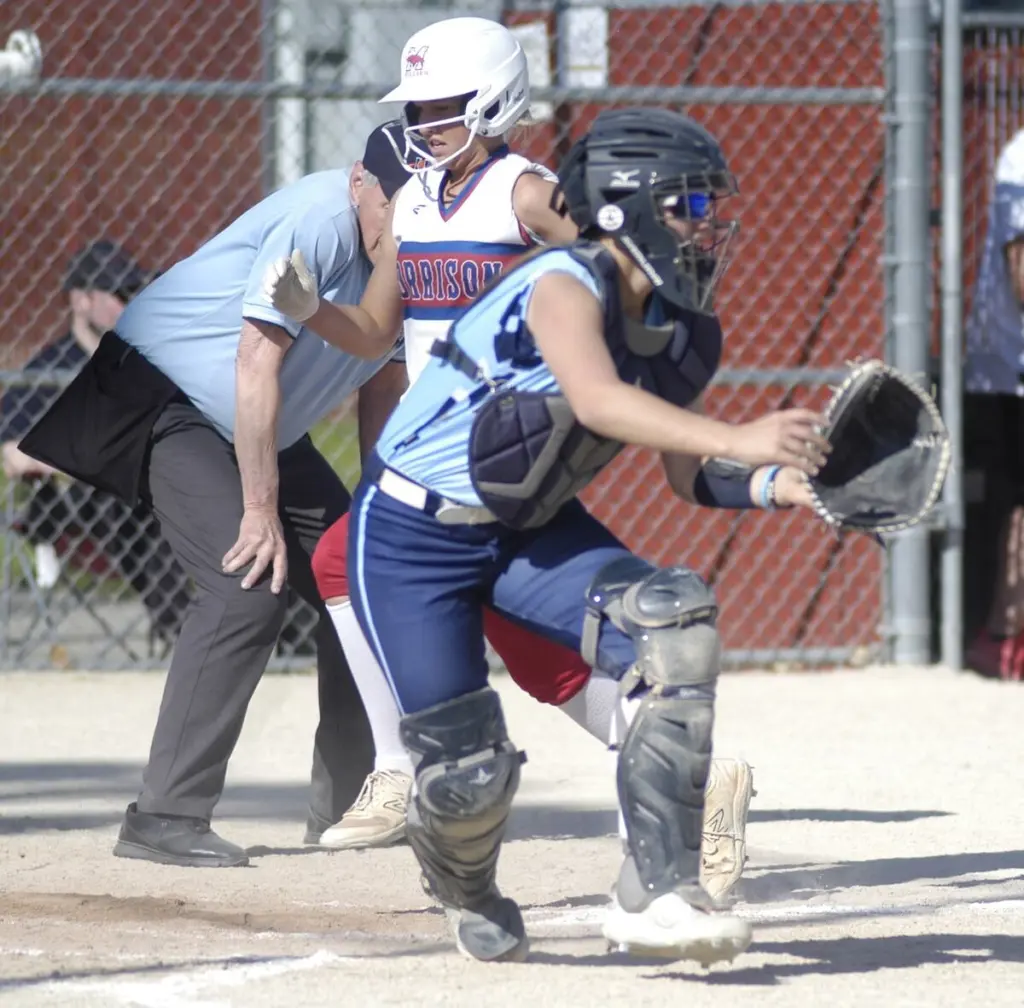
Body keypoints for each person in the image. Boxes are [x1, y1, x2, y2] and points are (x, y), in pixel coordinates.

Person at [271, 108, 831, 962]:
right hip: (411, 538)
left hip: (526, 527)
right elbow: (601, 401)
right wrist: (739, 434)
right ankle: (464, 882)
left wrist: (784, 484)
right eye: (687, 203)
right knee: (467, 778)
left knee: (672, 623)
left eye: (707, 204)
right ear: (620, 209)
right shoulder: (563, 281)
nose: (706, 223)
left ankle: (658, 892)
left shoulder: (684, 328)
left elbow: (689, 478)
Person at [18, 123, 415, 867]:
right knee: (245, 587)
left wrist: (377, 508)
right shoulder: (320, 223)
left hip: (255, 422)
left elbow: (383, 381)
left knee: (361, 580)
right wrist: (260, 510)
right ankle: (164, 814)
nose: (400, 225)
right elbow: (254, 363)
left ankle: (350, 810)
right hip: (165, 395)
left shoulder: (415, 245)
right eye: (391, 204)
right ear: (361, 179)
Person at [1, 241, 191, 652]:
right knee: (121, 503)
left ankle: (272, 632)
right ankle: (181, 633)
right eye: (120, 295)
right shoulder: (47, 369)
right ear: (81, 300)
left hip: (146, 492)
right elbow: (13, 456)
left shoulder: (143, 363)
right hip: (74, 506)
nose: (130, 304)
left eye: (134, 293)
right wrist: (93, 460)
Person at [963, 126, 1024, 680]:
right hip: (1012, 368)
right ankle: (1004, 634)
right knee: (1013, 505)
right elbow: (1022, 269)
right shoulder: (1022, 154)